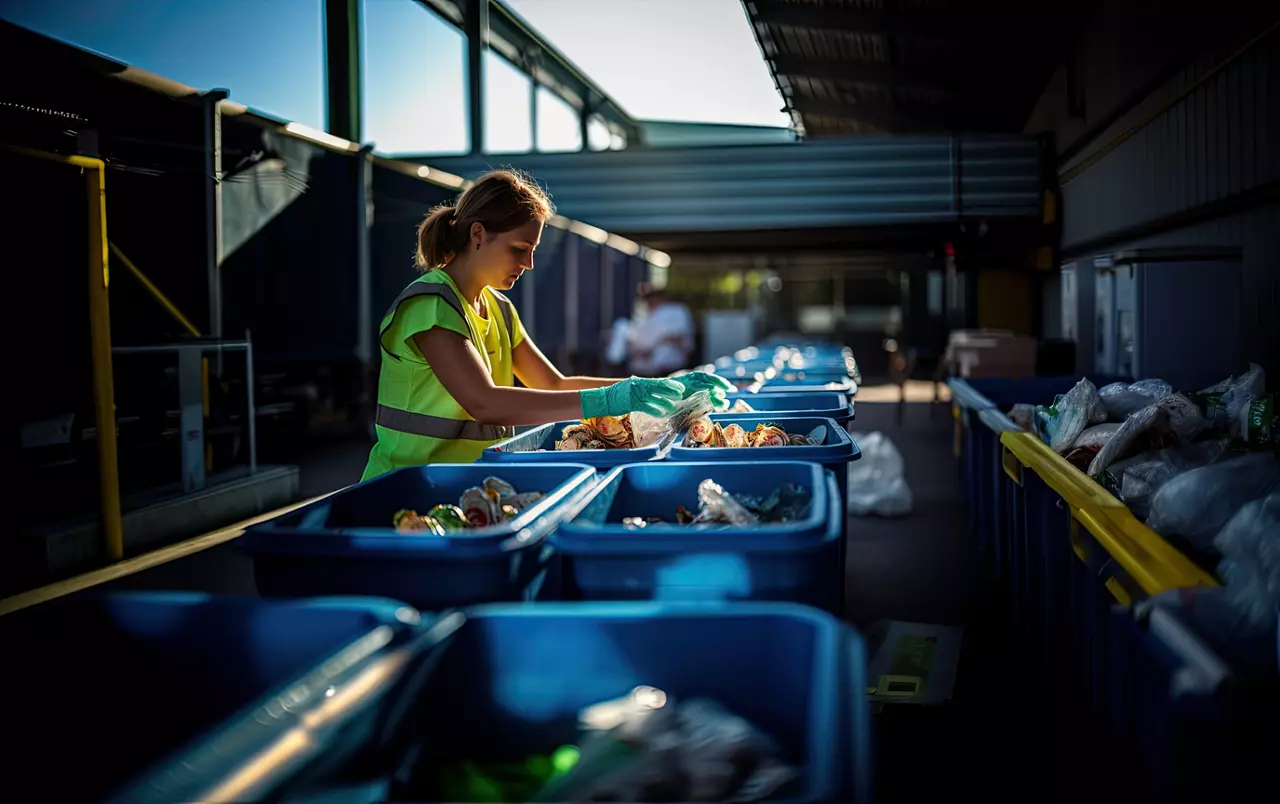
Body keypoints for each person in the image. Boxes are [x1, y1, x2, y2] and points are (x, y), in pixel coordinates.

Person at [363, 169, 732, 481]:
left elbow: (553, 383)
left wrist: (658, 388)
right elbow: (486, 403)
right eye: (518, 248)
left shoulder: (500, 309)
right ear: (478, 235)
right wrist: (611, 399)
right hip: (404, 485)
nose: (529, 263)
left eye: (534, 251)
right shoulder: (430, 304)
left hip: (465, 482)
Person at [628, 284, 695, 377]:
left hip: (669, 366)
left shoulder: (675, 312)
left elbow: (679, 337)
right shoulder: (646, 315)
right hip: (644, 368)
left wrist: (655, 345)